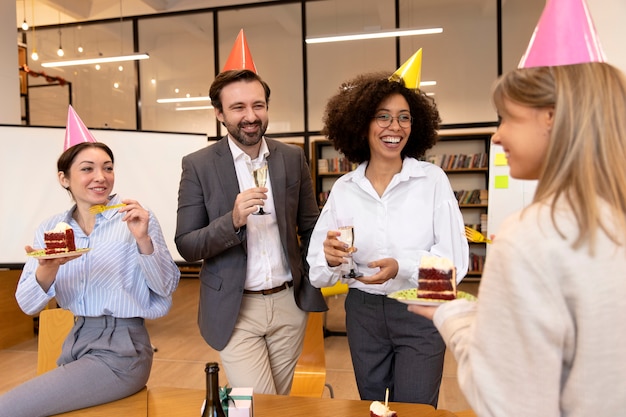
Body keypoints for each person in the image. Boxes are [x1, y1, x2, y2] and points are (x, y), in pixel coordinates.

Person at [409, 61, 626, 417]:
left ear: (552, 117)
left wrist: (453, 315)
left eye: (507, 117)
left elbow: (503, 402)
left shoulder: (531, 235)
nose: (497, 136)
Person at [0, 109, 180, 416]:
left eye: (108, 168)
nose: (101, 177)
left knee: (8, 407)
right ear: (64, 178)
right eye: (87, 169)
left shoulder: (135, 217)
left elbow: (165, 288)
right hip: (76, 342)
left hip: (123, 350)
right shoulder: (51, 228)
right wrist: (48, 267)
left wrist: (143, 240)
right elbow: (27, 304)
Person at [306, 70, 469, 406]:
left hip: (419, 310)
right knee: (374, 406)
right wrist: (331, 257)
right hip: (362, 312)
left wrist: (402, 267)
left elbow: (456, 267)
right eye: (383, 117)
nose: (395, 127)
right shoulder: (344, 189)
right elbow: (317, 271)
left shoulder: (432, 180)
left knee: (416, 408)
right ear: (361, 124)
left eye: (404, 118)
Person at [174, 68, 327, 395]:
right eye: (238, 107)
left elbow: (311, 225)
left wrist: (312, 280)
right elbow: (187, 244)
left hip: (289, 305)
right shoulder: (199, 165)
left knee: (276, 402)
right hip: (235, 309)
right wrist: (231, 221)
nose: (250, 116)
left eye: (258, 105)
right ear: (219, 114)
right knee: (260, 404)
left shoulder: (291, 157)